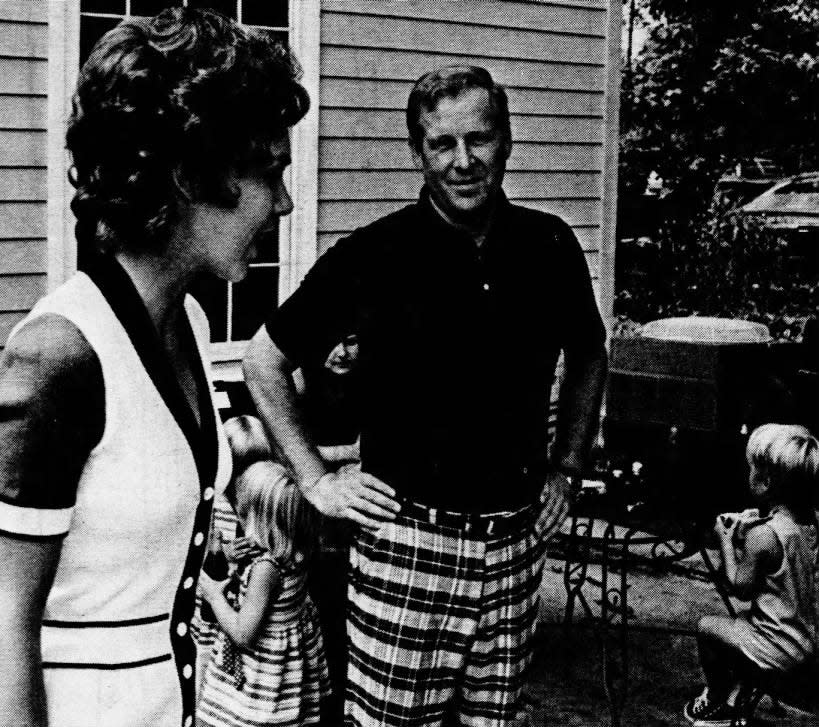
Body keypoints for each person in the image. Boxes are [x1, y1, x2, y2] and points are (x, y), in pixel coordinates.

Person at [244, 65, 608, 726]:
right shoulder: (373, 255)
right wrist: (314, 477)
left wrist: (568, 466)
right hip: (405, 540)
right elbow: (264, 360)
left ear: (506, 140)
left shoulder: (547, 244)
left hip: (515, 542)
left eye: (480, 138)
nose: (463, 161)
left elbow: (588, 352)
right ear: (417, 152)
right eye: (442, 144)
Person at [0, 8, 308, 726]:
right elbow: (5, 620)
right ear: (185, 173)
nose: (284, 202)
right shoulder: (60, 357)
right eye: (267, 173)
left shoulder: (192, 325)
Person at [684, 424, 819, 726]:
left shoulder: (764, 535)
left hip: (777, 647)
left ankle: (718, 698)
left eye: (752, 468)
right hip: (805, 640)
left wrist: (725, 539)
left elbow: (738, 587)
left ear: (766, 482)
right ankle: (743, 685)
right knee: (743, 621)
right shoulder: (809, 525)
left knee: (708, 627)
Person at [196, 460, 331, 726]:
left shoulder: (266, 570)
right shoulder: (298, 552)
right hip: (288, 673)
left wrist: (213, 595)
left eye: (244, 513)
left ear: (260, 520)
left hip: (259, 676)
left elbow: (244, 634)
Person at [193, 414, 273, 694]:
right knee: (208, 666)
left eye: (251, 467)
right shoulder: (213, 501)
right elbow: (191, 548)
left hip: (250, 603)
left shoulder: (266, 498)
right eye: (237, 468)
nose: (243, 477)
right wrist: (223, 551)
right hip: (216, 601)